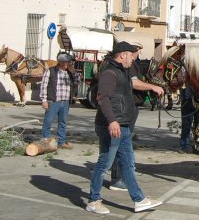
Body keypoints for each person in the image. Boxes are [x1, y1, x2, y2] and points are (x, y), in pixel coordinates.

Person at [86, 41, 163, 215]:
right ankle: (93, 200)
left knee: (128, 165)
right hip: (111, 126)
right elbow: (103, 98)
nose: (133, 58)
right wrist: (112, 121)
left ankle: (139, 200)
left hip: (124, 125)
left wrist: (151, 88)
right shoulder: (109, 73)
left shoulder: (124, 72)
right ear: (122, 55)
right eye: (131, 55)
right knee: (104, 163)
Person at [109, 41, 165, 191]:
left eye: (138, 49)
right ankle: (119, 178)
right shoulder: (129, 66)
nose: (137, 53)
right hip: (126, 109)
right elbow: (135, 84)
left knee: (121, 145)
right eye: (136, 50)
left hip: (129, 108)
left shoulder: (130, 65)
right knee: (120, 146)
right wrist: (153, 86)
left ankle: (123, 177)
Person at [40, 51, 78, 150]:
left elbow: (76, 82)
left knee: (62, 122)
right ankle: (45, 141)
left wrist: (73, 73)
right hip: (53, 101)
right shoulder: (51, 71)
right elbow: (43, 86)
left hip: (65, 101)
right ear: (61, 62)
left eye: (69, 62)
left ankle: (61, 141)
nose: (69, 64)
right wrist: (44, 100)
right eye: (67, 62)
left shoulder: (69, 73)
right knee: (48, 122)